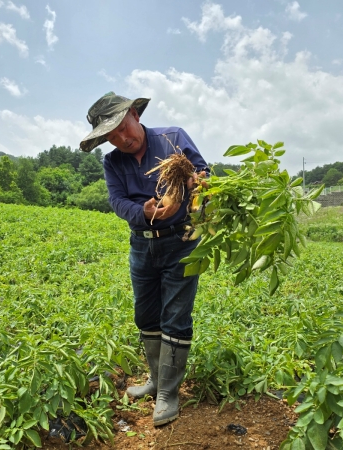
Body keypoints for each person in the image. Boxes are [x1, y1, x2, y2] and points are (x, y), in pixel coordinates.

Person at [80, 92, 209, 426]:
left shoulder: (172, 139)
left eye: (124, 127)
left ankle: (168, 393)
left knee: (176, 315)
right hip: (142, 244)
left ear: (135, 115)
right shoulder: (113, 162)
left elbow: (206, 174)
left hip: (180, 241)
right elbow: (117, 201)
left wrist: (197, 183)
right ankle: (155, 379)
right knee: (146, 314)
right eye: (112, 135)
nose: (123, 138)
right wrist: (142, 211)